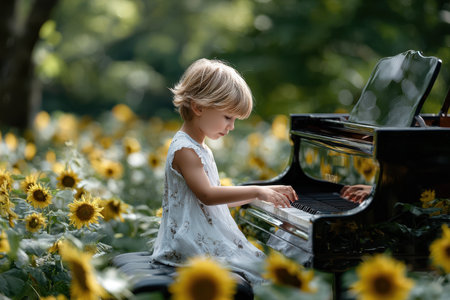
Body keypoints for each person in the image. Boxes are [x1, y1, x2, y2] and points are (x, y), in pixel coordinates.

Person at [149, 58, 298, 285]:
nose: (232, 126)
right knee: (268, 273)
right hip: (188, 246)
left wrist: (264, 195)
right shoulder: (185, 150)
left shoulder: (198, 147)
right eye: (228, 117)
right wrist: (258, 192)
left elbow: (214, 200)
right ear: (199, 107)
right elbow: (208, 196)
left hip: (200, 236)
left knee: (268, 268)